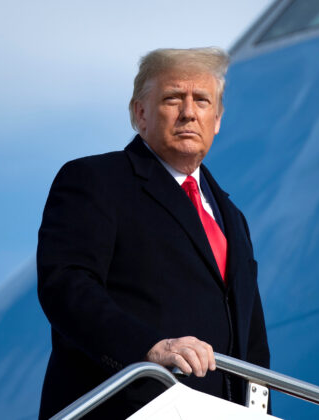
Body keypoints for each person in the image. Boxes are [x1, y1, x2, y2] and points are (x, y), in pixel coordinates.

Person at [36, 47, 269, 420]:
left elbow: (252, 344)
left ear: (218, 119)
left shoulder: (233, 218)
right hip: (127, 406)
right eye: (173, 98)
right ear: (140, 113)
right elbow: (66, 287)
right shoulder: (96, 180)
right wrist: (147, 349)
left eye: (202, 101)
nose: (189, 112)